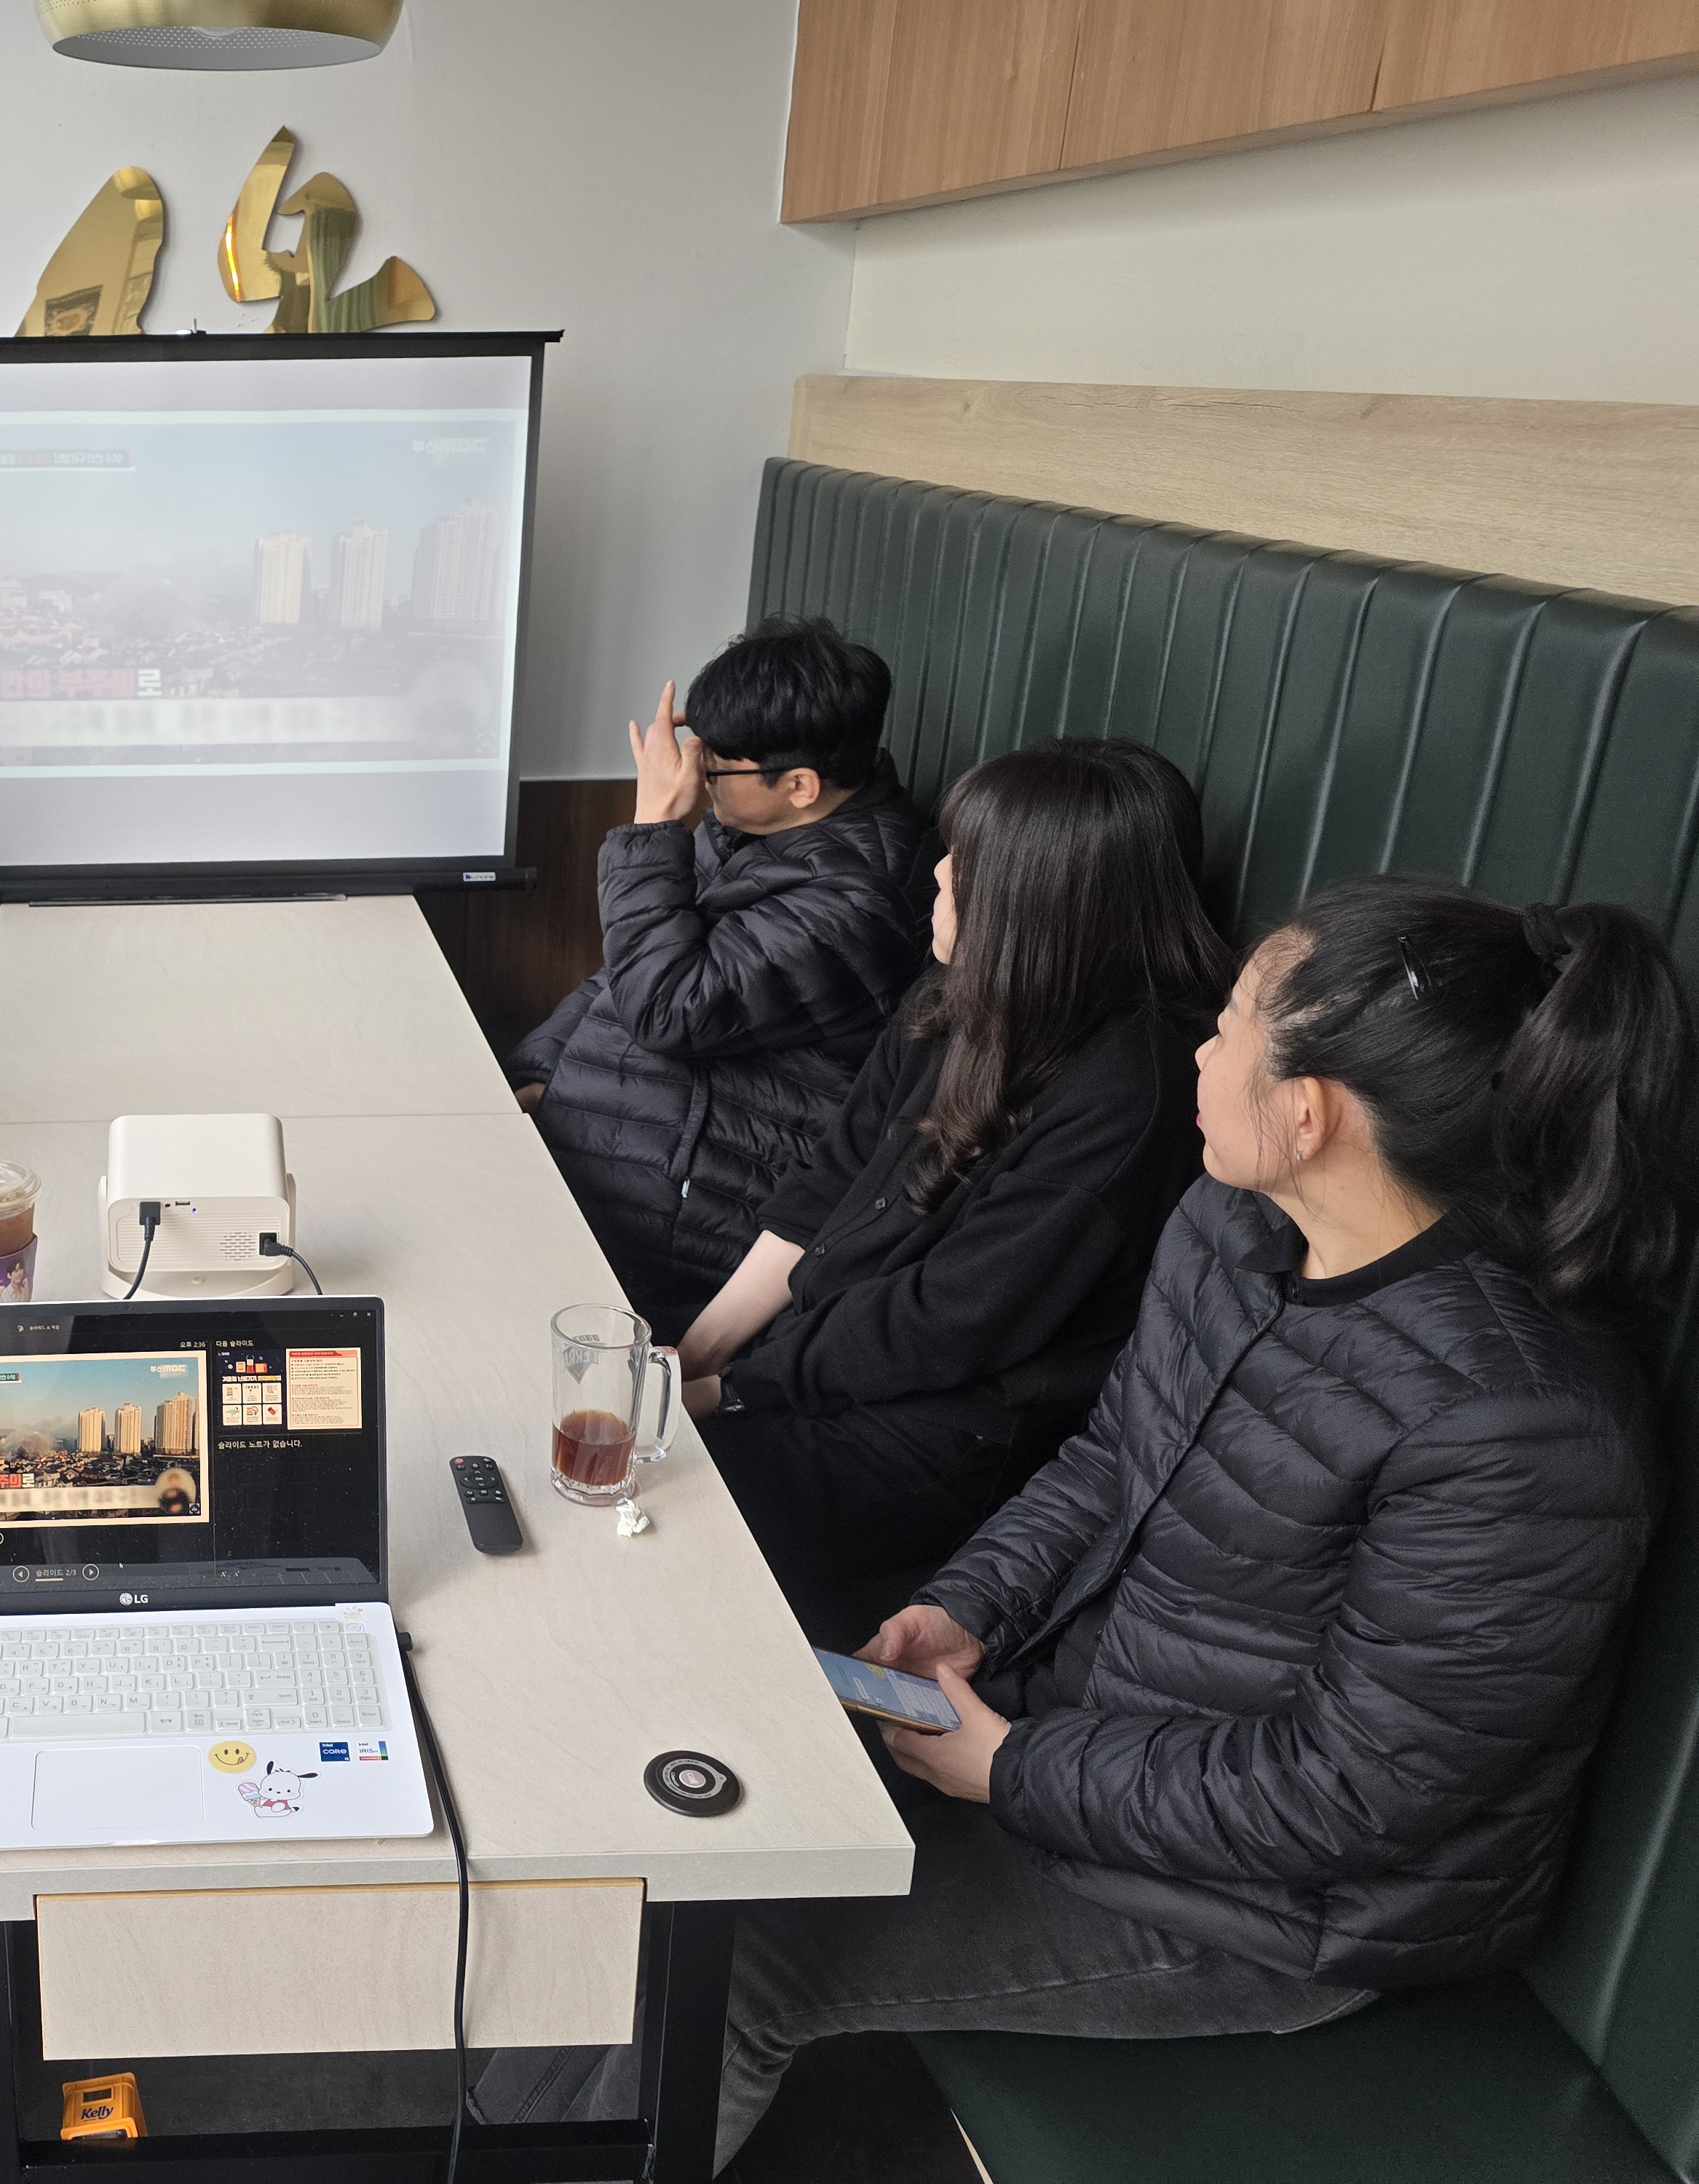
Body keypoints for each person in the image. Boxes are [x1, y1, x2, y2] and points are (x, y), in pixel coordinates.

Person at [483, 872, 1695, 2167]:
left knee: (742, 1957)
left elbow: (1351, 1797)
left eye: (1227, 1028)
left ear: (1307, 1113)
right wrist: (967, 1608)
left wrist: (1013, 1769)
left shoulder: (1522, 1426)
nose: (1198, 1053)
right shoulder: (1237, 1223)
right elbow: (1115, 1454)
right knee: (667, 1823)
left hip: (1274, 1908)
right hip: (1085, 1724)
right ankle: (485, 2142)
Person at [677, 740, 1234, 1646]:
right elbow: (828, 1182)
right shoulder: (953, 991)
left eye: (965, 862)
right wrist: (693, 1355)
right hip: (819, 1358)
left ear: (1041, 897)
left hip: (940, 1436)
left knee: (657, 1504)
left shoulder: (1133, 1090)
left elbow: (947, 1321)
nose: (938, 874)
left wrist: (728, 1391)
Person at [506, 617, 933, 1339]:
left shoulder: (855, 903)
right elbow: (624, 970)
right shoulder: (760, 824)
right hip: (625, 1140)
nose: (693, 777)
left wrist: (651, 828)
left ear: (799, 784)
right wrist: (533, 1073)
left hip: (689, 1211)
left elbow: (667, 1008)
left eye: (714, 765)